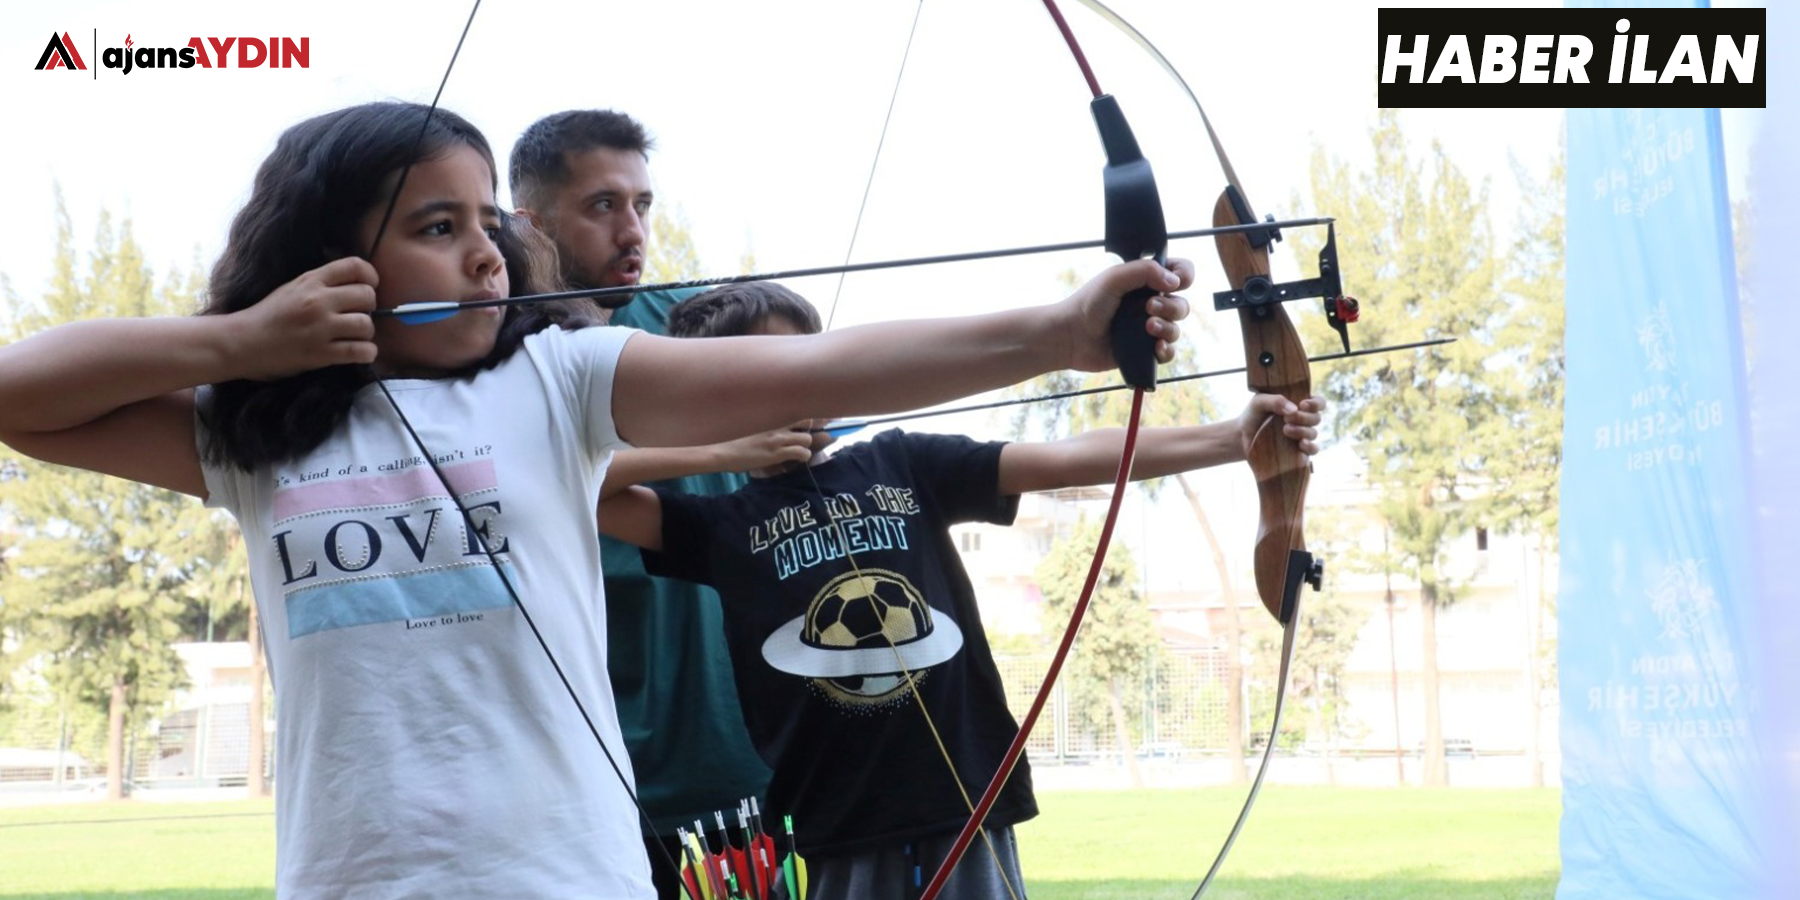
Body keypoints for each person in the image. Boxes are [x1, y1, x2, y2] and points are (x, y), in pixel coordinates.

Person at [0, 101, 1192, 899]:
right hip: (348, 876)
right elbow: (21, 398)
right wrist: (246, 341)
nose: (483, 254)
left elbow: (818, 369)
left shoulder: (556, 380)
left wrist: (1058, 331)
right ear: (331, 261)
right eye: (436, 227)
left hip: (565, 873)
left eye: (486, 225)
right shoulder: (259, 436)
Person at [596, 282, 1323, 900]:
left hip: (965, 802)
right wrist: (719, 449)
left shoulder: (900, 460)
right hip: (840, 824)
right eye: (770, 379)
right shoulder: (715, 521)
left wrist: (1235, 439)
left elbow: (1067, 459)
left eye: (809, 372)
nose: (803, 395)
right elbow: (586, 486)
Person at [510, 109, 782, 898]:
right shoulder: (496, 362)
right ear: (530, 226)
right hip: (583, 780)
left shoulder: (694, 327)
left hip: (740, 763)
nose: (633, 229)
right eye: (603, 206)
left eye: (643, 205)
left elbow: (827, 376)